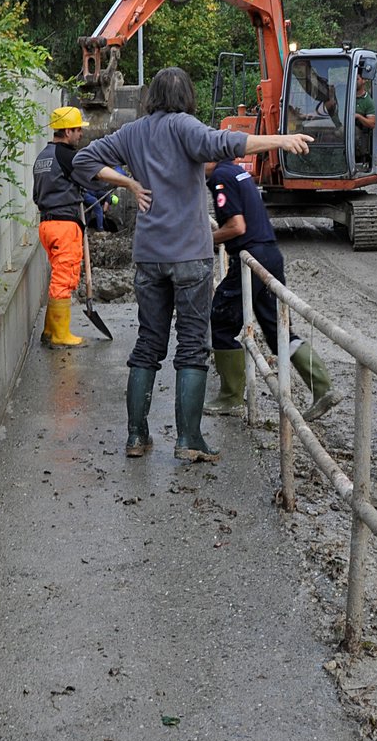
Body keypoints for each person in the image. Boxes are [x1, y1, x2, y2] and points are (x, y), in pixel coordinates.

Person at [73, 67, 313, 463]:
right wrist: (280, 140)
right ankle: (188, 440)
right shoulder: (185, 126)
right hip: (189, 256)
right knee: (191, 347)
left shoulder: (133, 132)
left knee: (148, 345)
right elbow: (227, 142)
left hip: (149, 256)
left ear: (151, 97)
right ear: (186, 96)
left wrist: (129, 183)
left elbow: (83, 161)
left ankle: (136, 436)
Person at [205, 157, 341, 422]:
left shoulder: (221, 177)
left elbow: (236, 226)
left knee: (221, 319)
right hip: (270, 253)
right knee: (277, 330)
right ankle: (322, 387)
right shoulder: (236, 171)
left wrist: (204, 239)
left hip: (251, 256)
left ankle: (231, 397)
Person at [32, 106, 97, 348]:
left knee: (59, 276)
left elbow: (36, 194)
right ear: (67, 131)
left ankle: (50, 330)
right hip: (64, 224)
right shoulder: (67, 156)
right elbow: (91, 178)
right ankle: (60, 335)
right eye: (78, 129)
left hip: (47, 225)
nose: (80, 134)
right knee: (64, 276)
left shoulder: (43, 157)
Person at [352, 73, 377, 165]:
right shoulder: (346, 96)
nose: (354, 81)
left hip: (355, 133)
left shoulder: (368, 101)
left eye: (357, 79)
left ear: (364, 81)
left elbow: (372, 123)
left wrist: (358, 116)